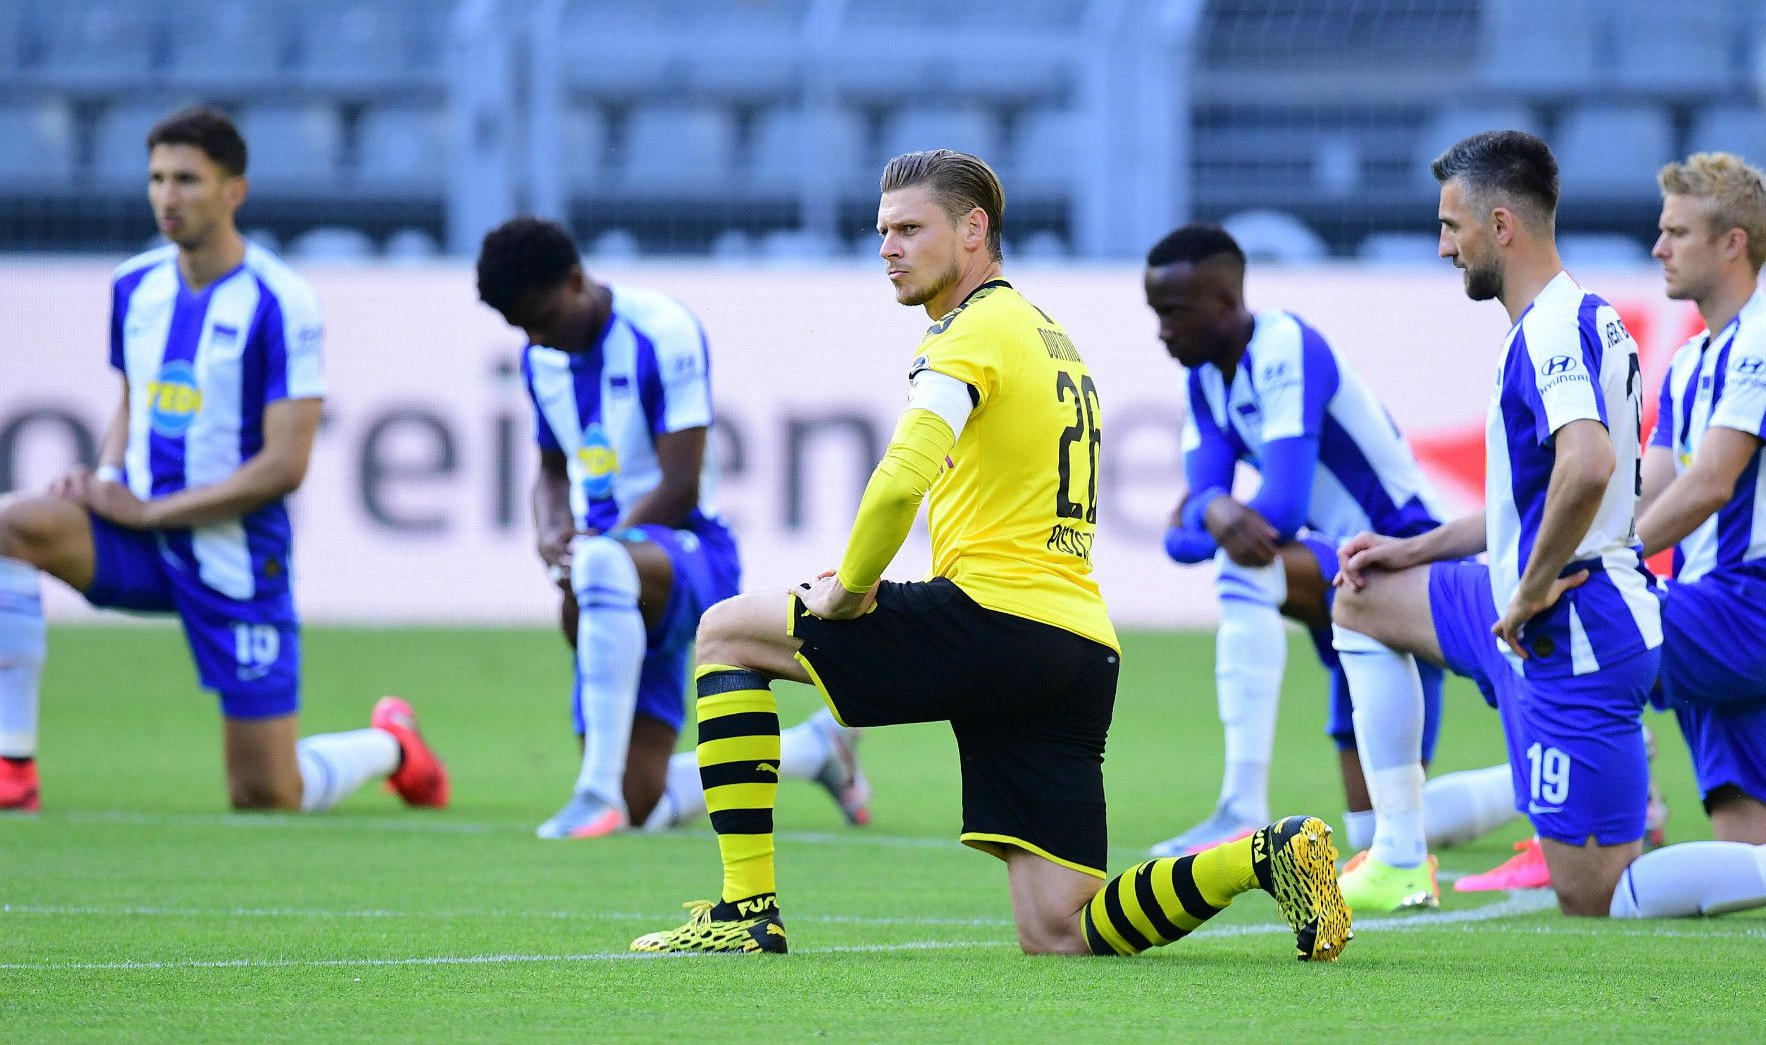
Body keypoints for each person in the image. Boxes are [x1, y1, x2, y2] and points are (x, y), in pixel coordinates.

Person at [629, 150, 1351, 958]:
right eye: (882, 233)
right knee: (1061, 929)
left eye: (909, 228)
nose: (888, 249)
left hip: (995, 622)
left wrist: (850, 590)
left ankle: (744, 909)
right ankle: (1264, 856)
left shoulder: (969, 335)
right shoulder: (1050, 337)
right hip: (1075, 649)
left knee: (728, 632)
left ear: (974, 230)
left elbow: (902, 478)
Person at [1478, 152, 1766, 919]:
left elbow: (1710, 483)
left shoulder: (1765, 340)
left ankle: (1583, 806)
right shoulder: (1689, 359)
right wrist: (1598, 543)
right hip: (1750, 629)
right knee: (1763, 861)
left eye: (1677, 232)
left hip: (1743, 613)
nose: (1658, 248)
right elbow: (1643, 485)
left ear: (1733, 244)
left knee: (1570, 629)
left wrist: (1585, 562)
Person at [0, 105, 446, 815]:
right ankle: (12, 764)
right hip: (136, 539)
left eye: (187, 180)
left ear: (233, 191)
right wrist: (107, 478)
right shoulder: (134, 286)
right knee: (10, 525)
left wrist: (151, 509)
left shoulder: (282, 301)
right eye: (156, 179)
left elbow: (285, 465)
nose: (167, 197)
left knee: (266, 795)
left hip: (234, 556)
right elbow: (132, 401)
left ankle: (392, 745)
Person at [1333, 130, 1664, 917]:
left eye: (1453, 225)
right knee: (1360, 597)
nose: (1444, 246)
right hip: (1528, 606)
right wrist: (1413, 547)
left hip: (1573, 620)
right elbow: (1537, 494)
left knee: (1597, 896)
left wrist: (1528, 589)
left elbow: (1588, 466)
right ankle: (1401, 858)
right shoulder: (1584, 316)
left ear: (1502, 225)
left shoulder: (1549, 330)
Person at [1143, 223, 1516, 912]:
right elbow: (1190, 535)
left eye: (1172, 312)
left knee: (1248, 571)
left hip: (1402, 557)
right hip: (1336, 566)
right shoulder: (1204, 382)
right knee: (1380, 833)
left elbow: (1273, 512)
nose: (1161, 331)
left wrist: (1209, 510)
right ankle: (1538, 787)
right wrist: (1213, 512)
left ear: (1225, 302)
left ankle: (1239, 806)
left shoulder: (1285, 345)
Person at [475, 217, 868, 840]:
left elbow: (680, 483)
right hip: (612, 585)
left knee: (600, 568)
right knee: (643, 807)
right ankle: (816, 749)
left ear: (576, 281)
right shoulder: (540, 360)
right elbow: (551, 470)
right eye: (522, 327)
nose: (538, 337)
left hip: (689, 554)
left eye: (543, 317)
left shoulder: (662, 331)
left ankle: (591, 793)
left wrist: (599, 550)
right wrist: (550, 530)